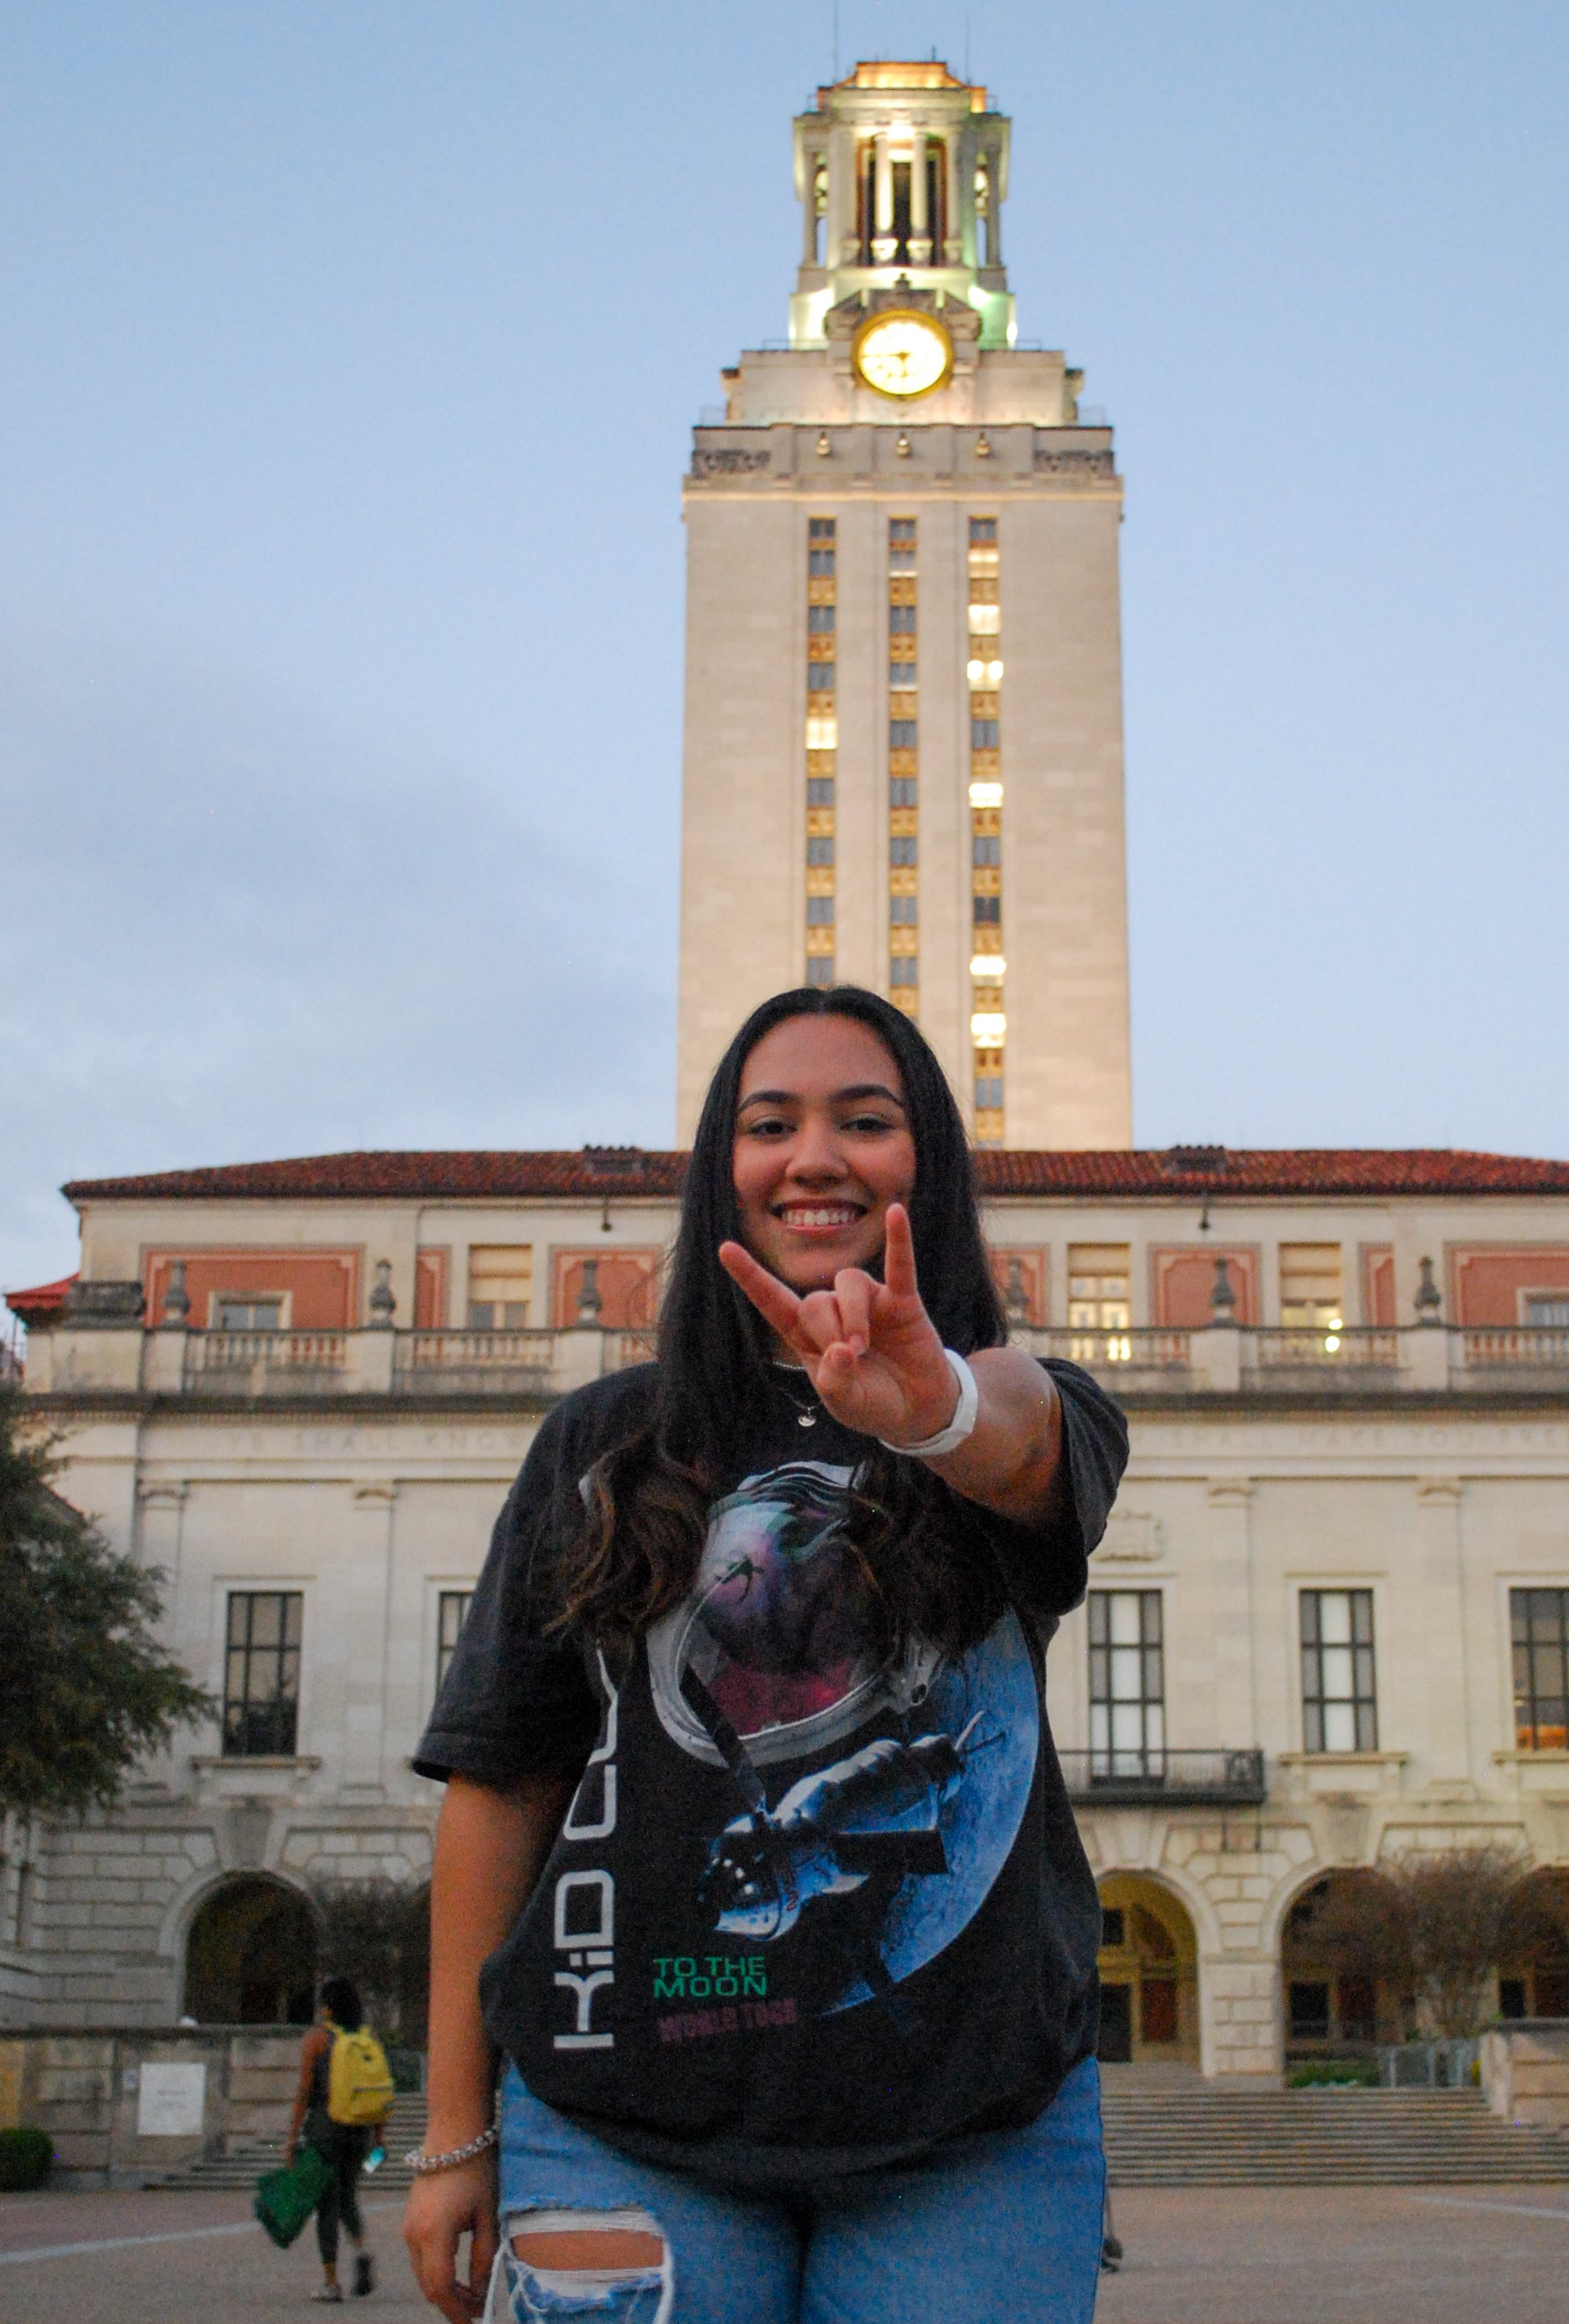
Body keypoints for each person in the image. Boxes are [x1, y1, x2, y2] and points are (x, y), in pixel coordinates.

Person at [403, 988, 1129, 2324]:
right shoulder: (599, 1440)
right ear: (716, 1172)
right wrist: (453, 2129)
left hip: (970, 2135)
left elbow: (1019, 1439)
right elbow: (499, 1780)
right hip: (616, 2120)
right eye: (767, 1122)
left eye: (866, 1118)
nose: (813, 1155)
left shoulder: (1029, 1412)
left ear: (931, 1165)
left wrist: (936, 1405)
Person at [287, 1976, 378, 2302]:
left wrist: (291, 2137)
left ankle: (331, 2283)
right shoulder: (368, 2039)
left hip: (325, 2131)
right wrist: (379, 2139)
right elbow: (378, 2090)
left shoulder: (317, 2039)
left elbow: (303, 2094)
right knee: (348, 2197)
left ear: (326, 2006)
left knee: (327, 2206)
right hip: (360, 2133)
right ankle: (363, 2251)